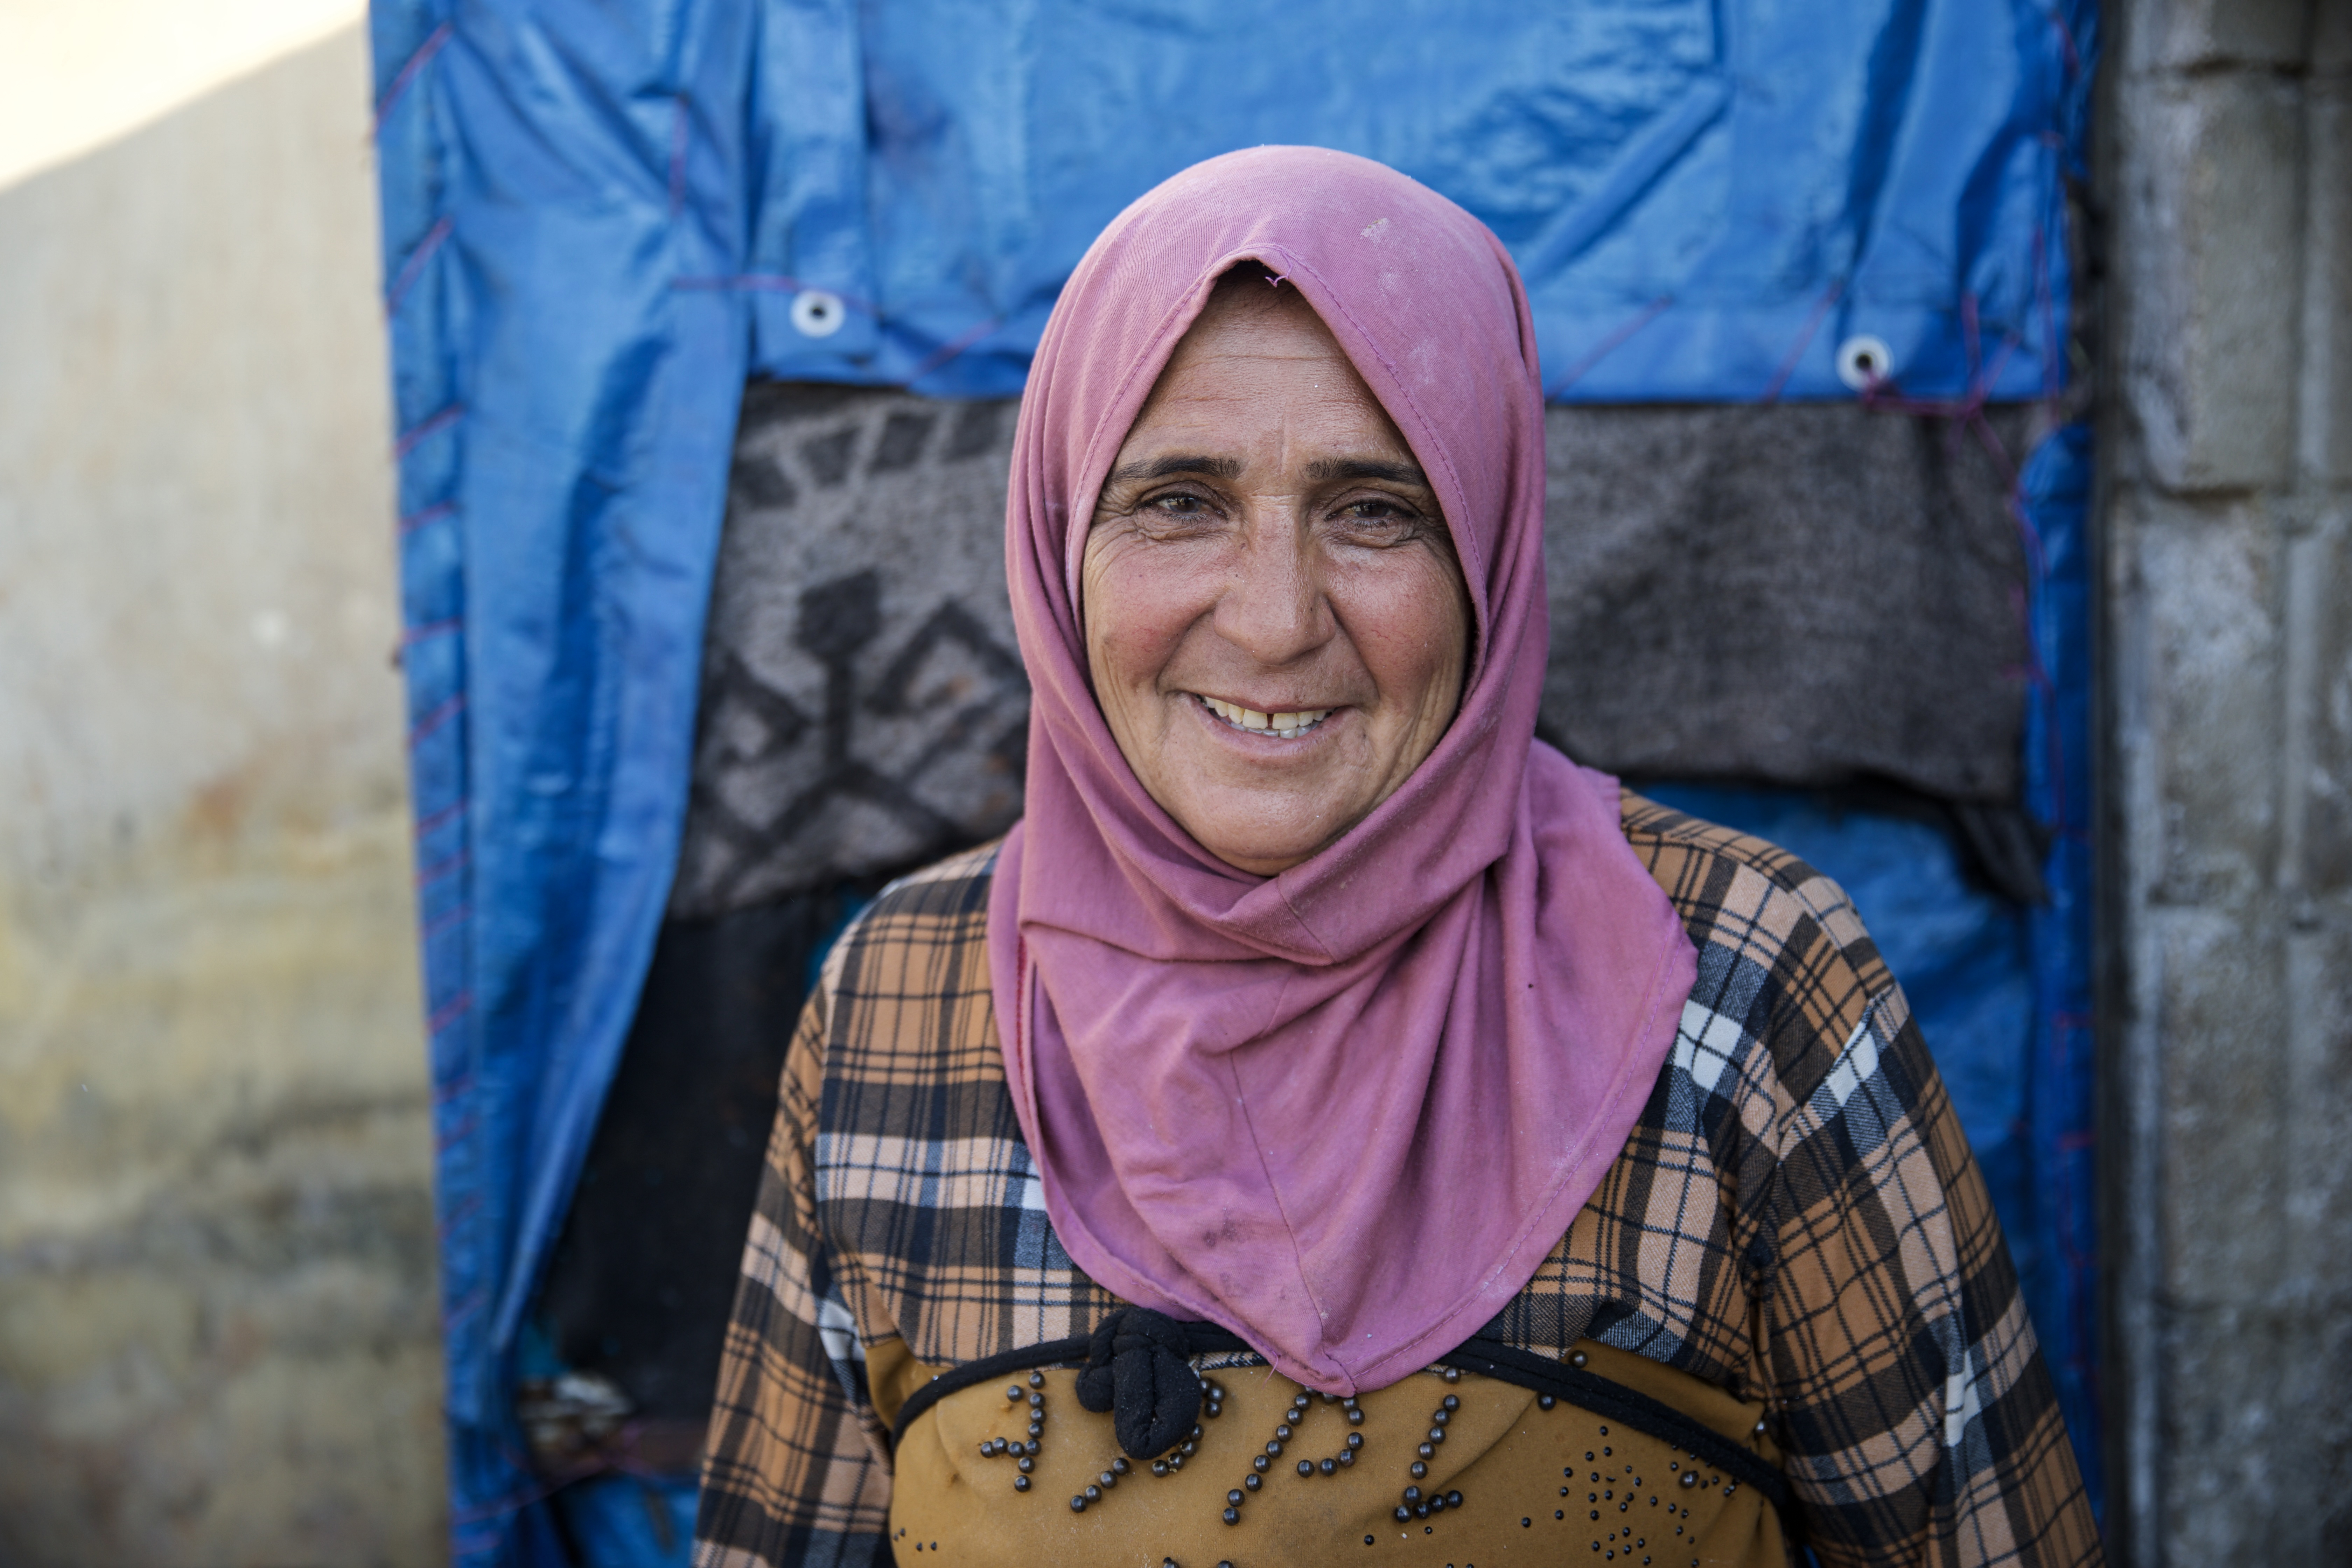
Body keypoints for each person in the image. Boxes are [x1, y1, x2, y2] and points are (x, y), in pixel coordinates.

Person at [692, 146, 2100, 1568]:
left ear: (1489, 552)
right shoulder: (900, 996)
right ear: (1061, 541)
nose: (1275, 621)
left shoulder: (1739, 983)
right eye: (1179, 501)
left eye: (1375, 511)